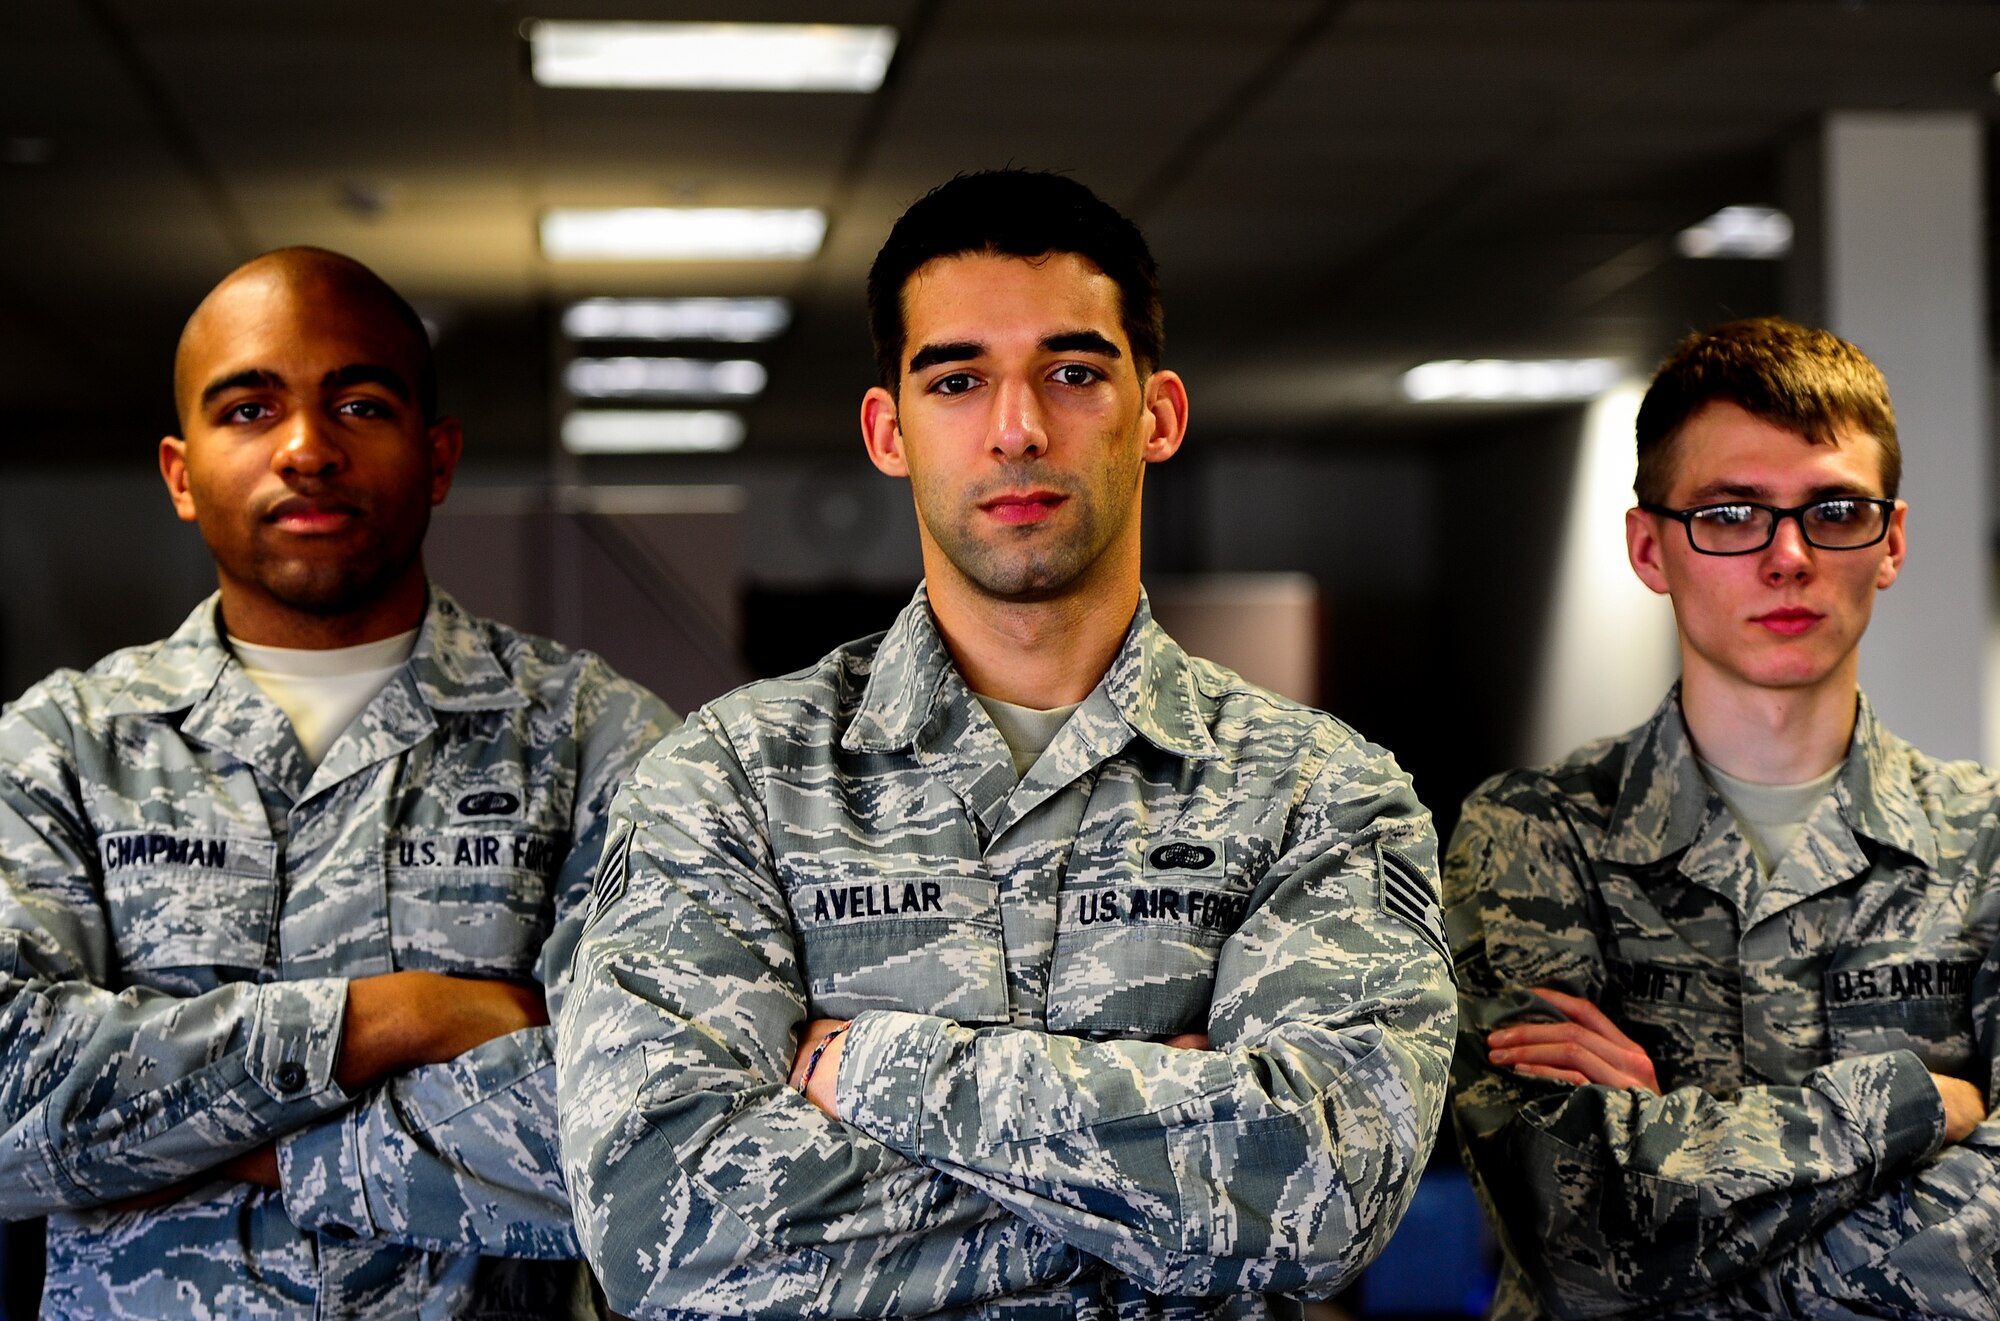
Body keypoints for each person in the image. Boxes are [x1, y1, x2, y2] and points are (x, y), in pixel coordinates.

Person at [555, 169, 1456, 1319]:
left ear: (1158, 414)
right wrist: (1167, 1174)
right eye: (957, 379)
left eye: (1073, 373)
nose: (1017, 427)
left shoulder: (1320, 794)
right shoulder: (723, 786)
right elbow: (659, 1225)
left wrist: (868, 1070)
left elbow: (1320, 1199)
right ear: (889, 430)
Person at [0, 247, 674, 1318]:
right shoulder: (62, 751)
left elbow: (659, 1124)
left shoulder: (595, 739)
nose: (307, 449)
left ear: (438, 457)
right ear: (180, 472)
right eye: (249, 411)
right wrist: (401, 1018)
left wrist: (228, 1142)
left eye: (359, 404)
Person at [1446, 316, 2000, 1319]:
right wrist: (1920, 1104)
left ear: (1890, 542)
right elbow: (1573, 1237)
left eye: (1833, 510)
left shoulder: (1985, 841)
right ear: (1648, 548)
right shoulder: (1533, 835)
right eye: (1729, 514)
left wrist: (1672, 1153)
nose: (1786, 557)